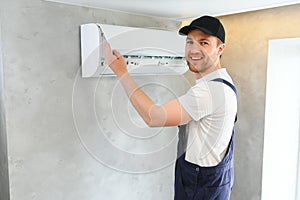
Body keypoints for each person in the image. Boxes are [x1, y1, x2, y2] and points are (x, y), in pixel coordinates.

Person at [105, 15, 237, 200]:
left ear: (220, 48)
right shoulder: (223, 82)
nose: (194, 49)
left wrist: (121, 72)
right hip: (212, 184)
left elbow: (154, 117)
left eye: (204, 43)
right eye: (190, 42)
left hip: (200, 188)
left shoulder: (209, 92)